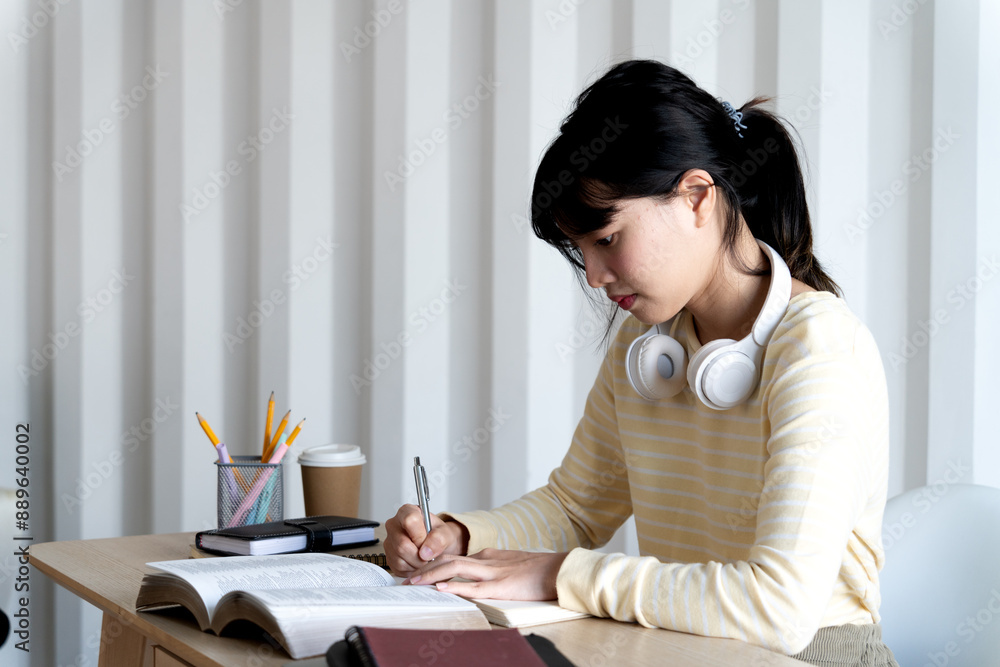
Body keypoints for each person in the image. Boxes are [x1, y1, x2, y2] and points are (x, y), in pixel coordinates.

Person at [385, 59, 899, 667]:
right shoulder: (647, 345)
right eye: (582, 253)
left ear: (696, 198)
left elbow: (776, 609)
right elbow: (575, 508)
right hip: (684, 652)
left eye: (606, 240)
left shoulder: (818, 349)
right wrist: (463, 537)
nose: (597, 278)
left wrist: (559, 575)